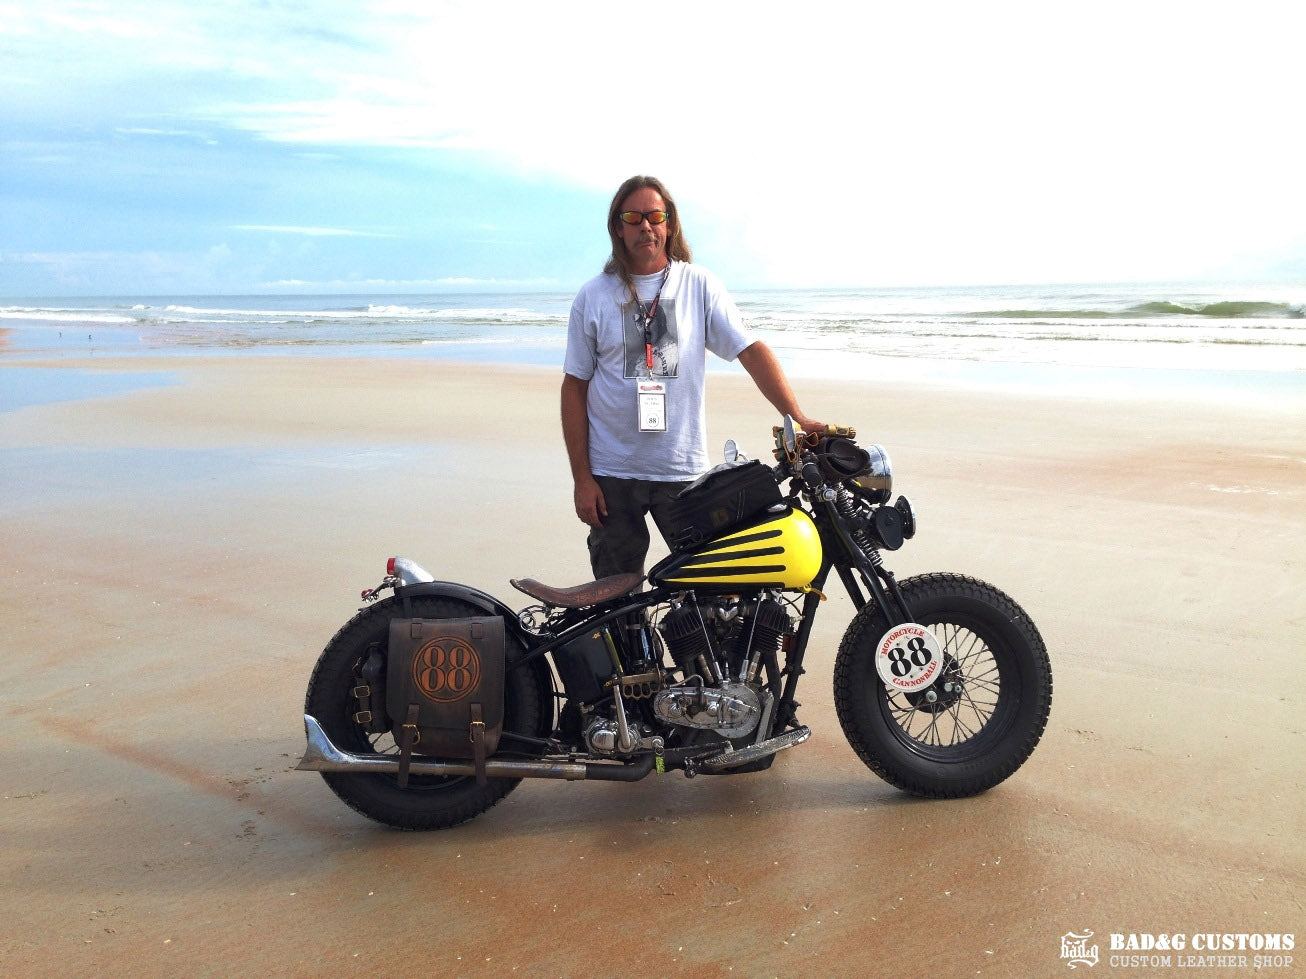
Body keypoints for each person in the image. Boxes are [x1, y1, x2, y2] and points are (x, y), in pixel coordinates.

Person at [562, 175, 823, 580]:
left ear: (669, 225)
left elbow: (749, 350)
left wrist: (797, 416)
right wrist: (582, 478)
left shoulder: (698, 285)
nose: (645, 226)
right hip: (612, 474)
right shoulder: (593, 296)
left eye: (655, 216)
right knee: (616, 603)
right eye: (633, 217)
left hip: (681, 472)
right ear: (618, 227)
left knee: (706, 597)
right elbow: (574, 387)